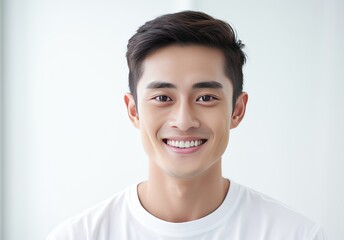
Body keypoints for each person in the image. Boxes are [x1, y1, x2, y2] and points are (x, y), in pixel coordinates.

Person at [46, 11, 325, 240]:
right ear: (133, 110)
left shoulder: (296, 234)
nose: (183, 121)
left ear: (237, 110)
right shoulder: (76, 235)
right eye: (162, 98)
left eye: (205, 97)